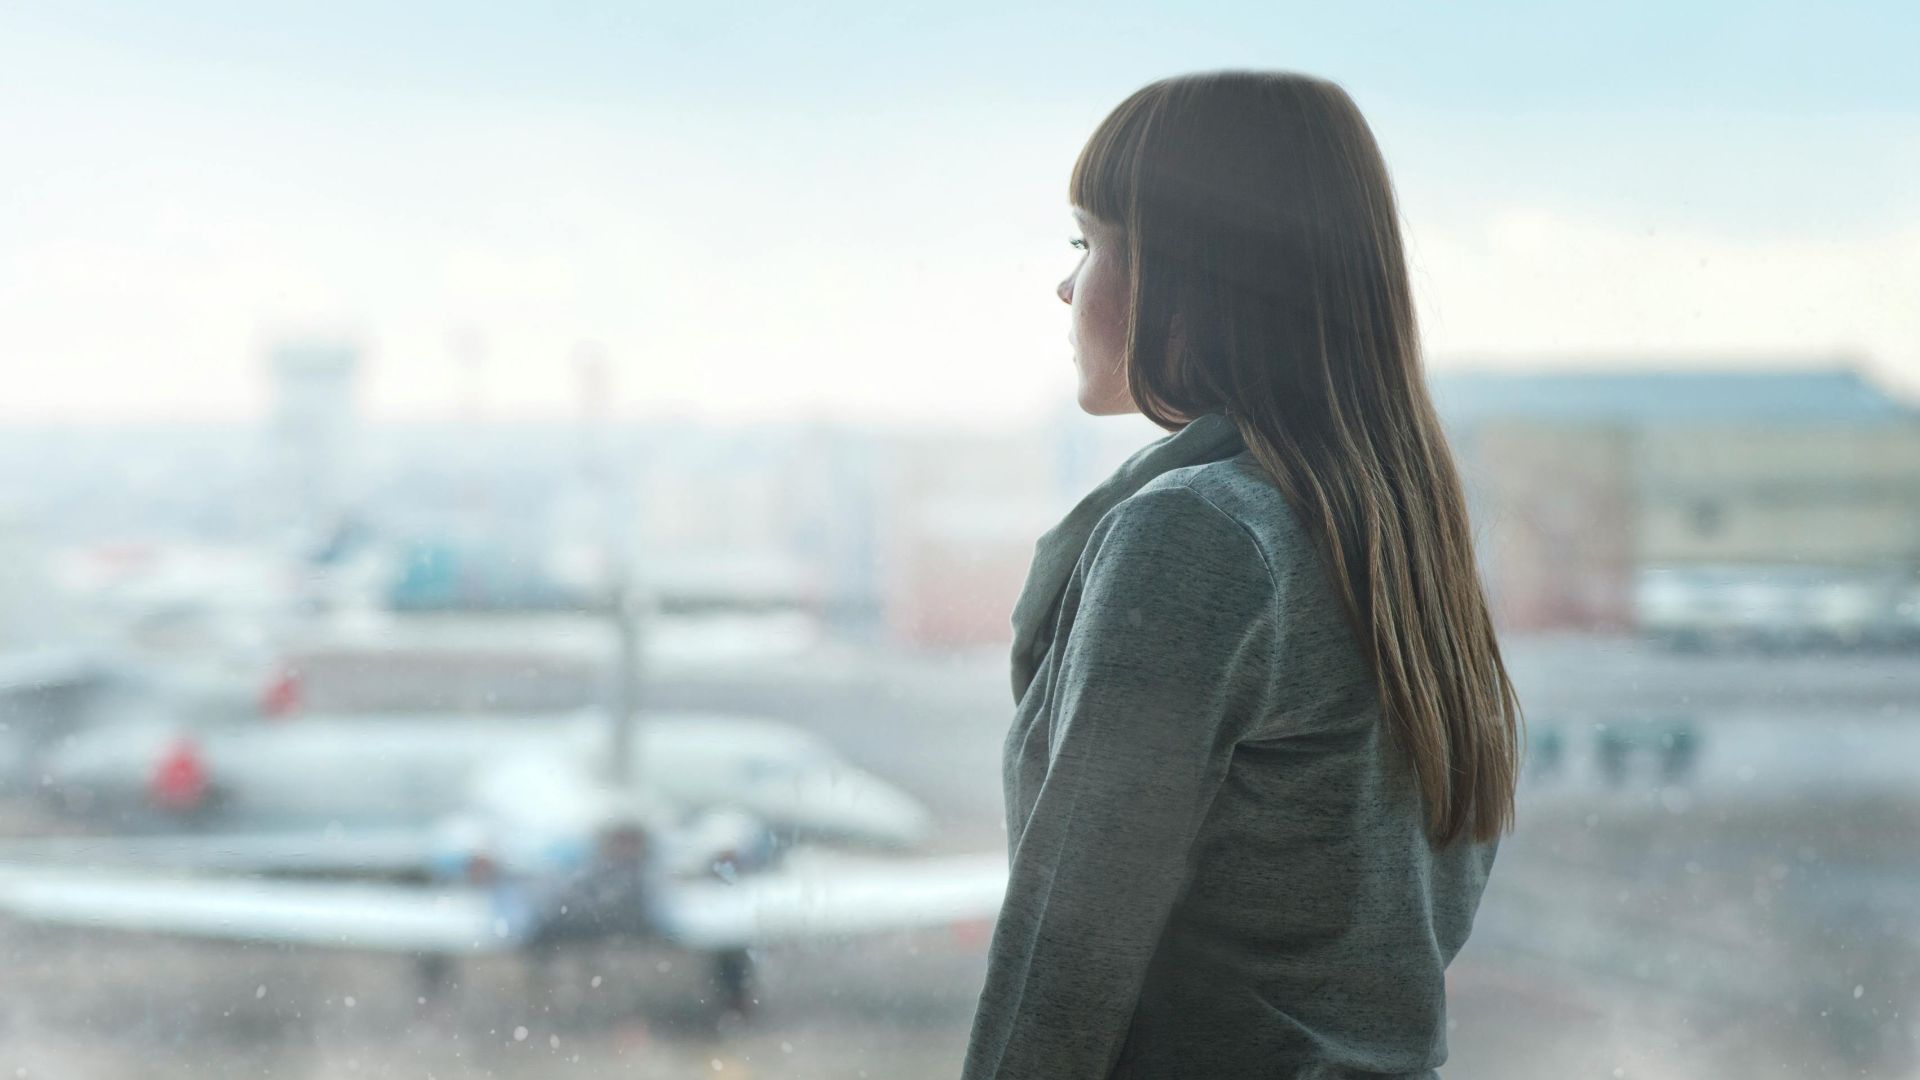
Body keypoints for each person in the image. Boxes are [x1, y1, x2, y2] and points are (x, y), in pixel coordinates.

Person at [961, 71, 1523, 1079]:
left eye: (1088, 244)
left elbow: (1067, 952)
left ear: (1188, 271)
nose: (1064, 286)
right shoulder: (1387, 531)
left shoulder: (1197, 536)